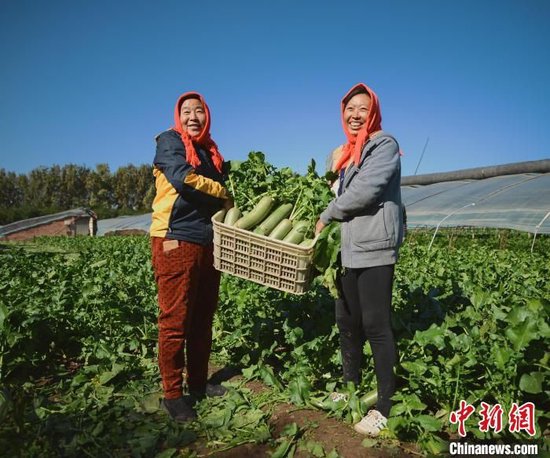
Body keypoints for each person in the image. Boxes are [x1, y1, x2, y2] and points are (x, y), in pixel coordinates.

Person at [315, 83, 404, 437]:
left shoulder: (384, 144)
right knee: (347, 322)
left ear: (374, 113)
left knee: (375, 325)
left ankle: (385, 405)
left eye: (362, 109)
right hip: (346, 251)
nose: (355, 115)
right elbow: (329, 186)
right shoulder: (345, 153)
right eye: (349, 109)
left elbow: (366, 190)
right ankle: (349, 387)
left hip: (375, 246)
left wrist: (326, 215)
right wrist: (334, 163)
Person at [150, 91, 233, 422]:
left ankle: (198, 383)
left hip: (208, 241)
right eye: (186, 111)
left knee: (202, 317)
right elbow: (184, 179)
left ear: (207, 116)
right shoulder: (169, 142)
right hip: (174, 239)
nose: (193, 116)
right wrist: (224, 192)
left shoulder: (211, 153)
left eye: (199, 111)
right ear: (177, 116)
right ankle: (173, 395)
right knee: (174, 321)